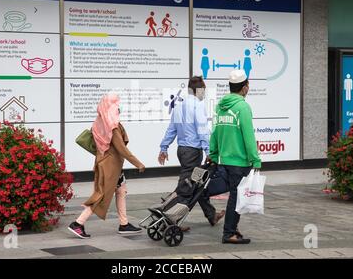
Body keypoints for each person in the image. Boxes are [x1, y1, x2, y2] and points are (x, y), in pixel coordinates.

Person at [68, 94, 145, 238]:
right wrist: (138, 163)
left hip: (106, 163)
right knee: (101, 195)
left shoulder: (99, 122)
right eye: (116, 105)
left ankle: (124, 224)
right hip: (110, 166)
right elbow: (122, 149)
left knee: (121, 190)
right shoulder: (112, 127)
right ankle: (78, 223)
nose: (118, 108)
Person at [159, 76, 225, 231]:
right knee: (187, 187)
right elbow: (202, 130)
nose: (205, 93)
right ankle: (170, 219)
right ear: (199, 90)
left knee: (196, 184)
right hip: (192, 152)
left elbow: (172, 129)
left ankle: (211, 214)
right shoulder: (198, 105)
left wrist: (164, 147)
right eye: (204, 90)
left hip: (181, 150)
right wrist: (209, 151)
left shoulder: (179, 105)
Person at [209, 70, 261, 244]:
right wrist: (256, 159)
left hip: (224, 160)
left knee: (235, 195)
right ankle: (228, 232)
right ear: (244, 88)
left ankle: (233, 227)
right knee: (237, 197)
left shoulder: (220, 106)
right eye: (248, 85)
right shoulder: (242, 107)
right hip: (240, 161)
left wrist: (214, 153)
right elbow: (248, 136)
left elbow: (215, 132)